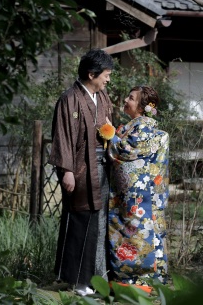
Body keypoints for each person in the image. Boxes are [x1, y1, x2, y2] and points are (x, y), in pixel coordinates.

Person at [49, 48, 114, 296]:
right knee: (80, 220)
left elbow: (108, 126)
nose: (108, 80)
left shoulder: (102, 96)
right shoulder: (70, 99)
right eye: (106, 75)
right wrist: (66, 170)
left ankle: (96, 278)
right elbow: (62, 136)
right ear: (91, 74)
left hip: (101, 167)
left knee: (98, 222)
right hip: (78, 169)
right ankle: (78, 281)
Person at [107, 85, 169, 290]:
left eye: (131, 98)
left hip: (139, 195)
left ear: (142, 107)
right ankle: (151, 280)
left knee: (136, 233)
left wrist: (110, 135)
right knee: (145, 233)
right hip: (146, 193)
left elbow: (125, 151)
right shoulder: (137, 126)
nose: (126, 100)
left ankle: (136, 281)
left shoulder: (142, 127)